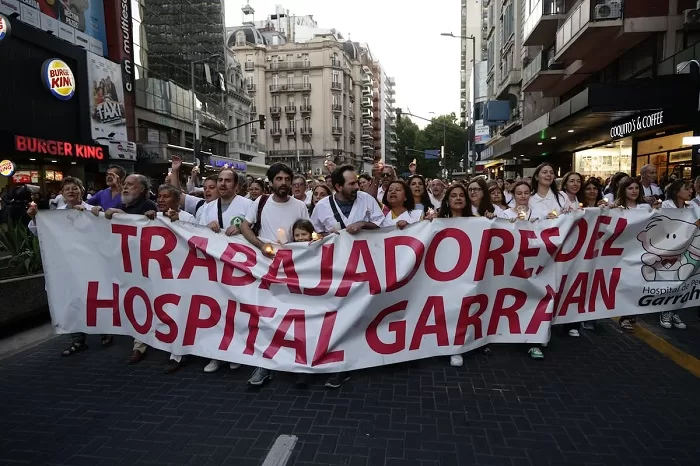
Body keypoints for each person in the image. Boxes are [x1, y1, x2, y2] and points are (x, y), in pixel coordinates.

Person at [310, 164, 384, 388]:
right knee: (338, 314)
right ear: (338, 186)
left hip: (365, 266)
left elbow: (382, 224)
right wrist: (324, 235)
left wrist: (363, 224)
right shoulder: (322, 207)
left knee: (361, 312)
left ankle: (361, 356)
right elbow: (313, 233)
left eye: (357, 182)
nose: (356, 187)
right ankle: (339, 364)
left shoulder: (367, 200)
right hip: (335, 268)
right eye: (351, 183)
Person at [241, 163, 309, 386]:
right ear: (271, 182)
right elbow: (245, 226)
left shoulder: (300, 206)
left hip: (293, 269)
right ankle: (265, 365)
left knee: (296, 317)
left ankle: (298, 364)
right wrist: (261, 246)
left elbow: (309, 233)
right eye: (279, 179)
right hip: (266, 268)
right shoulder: (260, 202)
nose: (283, 183)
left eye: (287, 179)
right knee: (267, 317)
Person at [27, 177, 97, 356]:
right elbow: (39, 232)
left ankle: (105, 330)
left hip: (91, 264)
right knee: (71, 299)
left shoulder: (93, 210)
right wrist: (34, 217)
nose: (71, 191)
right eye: (67, 189)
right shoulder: (54, 215)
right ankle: (78, 339)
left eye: (75, 188)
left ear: (82, 191)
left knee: (94, 297)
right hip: (67, 265)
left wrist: (88, 216)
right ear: (62, 194)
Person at [198, 168, 253, 373]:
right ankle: (216, 354)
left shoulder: (247, 205)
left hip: (238, 265)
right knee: (216, 310)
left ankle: (236, 352)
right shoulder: (208, 207)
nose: (222, 184)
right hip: (214, 265)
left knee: (236, 310)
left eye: (227, 181)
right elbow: (196, 232)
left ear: (236, 185)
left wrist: (243, 229)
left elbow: (256, 231)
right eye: (220, 180)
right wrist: (206, 227)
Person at [102, 174, 158, 363]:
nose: (125, 187)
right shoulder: (122, 206)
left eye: (131, 185)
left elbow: (146, 229)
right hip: (125, 264)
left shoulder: (149, 206)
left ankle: (140, 345)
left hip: (143, 266)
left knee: (142, 303)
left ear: (141, 189)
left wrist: (121, 216)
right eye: (124, 184)